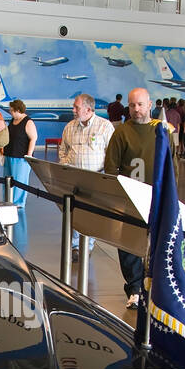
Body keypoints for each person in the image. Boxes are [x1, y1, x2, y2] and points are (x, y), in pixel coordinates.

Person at [104, 87, 170, 309]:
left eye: (140, 105)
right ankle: (134, 288)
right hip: (129, 199)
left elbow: (172, 166)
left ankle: (156, 287)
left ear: (150, 104)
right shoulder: (121, 132)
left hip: (157, 197)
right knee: (129, 244)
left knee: (157, 243)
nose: (136, 109)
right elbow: (111, 166)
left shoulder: (161, 130)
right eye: (132, 105)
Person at [59, 92, 115, 258]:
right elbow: (63, 150)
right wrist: (64, 166)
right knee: (75, 213)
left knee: (91, 214)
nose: (73, 110)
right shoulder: (69, 127)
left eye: (76, 107)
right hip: (74, 179)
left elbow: (111, 153)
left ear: (88, 109)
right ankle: (76, 246)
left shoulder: (104, 127)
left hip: (95, 178)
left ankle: (88, 245)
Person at [3, 99, 38, 208]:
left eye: (12, 111)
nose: (10, 113)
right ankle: (8, 201)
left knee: (20, 181)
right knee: (8, 180)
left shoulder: (28, 122)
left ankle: (18, 203)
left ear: (18, 110)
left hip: (21, 158)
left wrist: (29, 154)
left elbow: (33, 138)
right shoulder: (12, 121)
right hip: (9, 155)